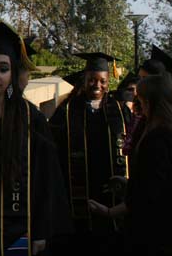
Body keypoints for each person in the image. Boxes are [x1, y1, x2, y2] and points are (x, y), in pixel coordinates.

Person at [0, 22, 72, 255]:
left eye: (3, 68)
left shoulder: (30, 118)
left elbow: (46, 178)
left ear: (12, 73)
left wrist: (40, 230)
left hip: (16, 230)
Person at [88, 74, 172, 256]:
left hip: (160, 236)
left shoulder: (157, 138)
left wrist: (109, 211)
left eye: (139, 98)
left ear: (148, 101)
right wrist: (130, 183)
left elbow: (150, 194)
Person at [48, 52, 130, 256]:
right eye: (92, 80)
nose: (97, 85)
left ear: (108, 81)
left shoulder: (120, 110)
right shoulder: (66, 111)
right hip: (76, 192)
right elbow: (53, 149)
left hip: (110, 190)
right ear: (84, 80)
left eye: (102, 81)